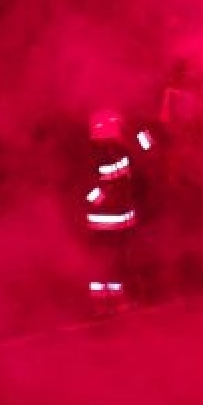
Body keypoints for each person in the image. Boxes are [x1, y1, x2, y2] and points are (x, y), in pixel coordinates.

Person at [84, 109, 138, 310]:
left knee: (112, 260)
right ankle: (105, 301)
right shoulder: (103, 153)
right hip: (108, 218)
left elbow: (121, 183)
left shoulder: (112, 150)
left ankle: (110, 300)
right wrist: (101, 199)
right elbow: (93, 186)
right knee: (108, 260)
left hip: (114, 217)